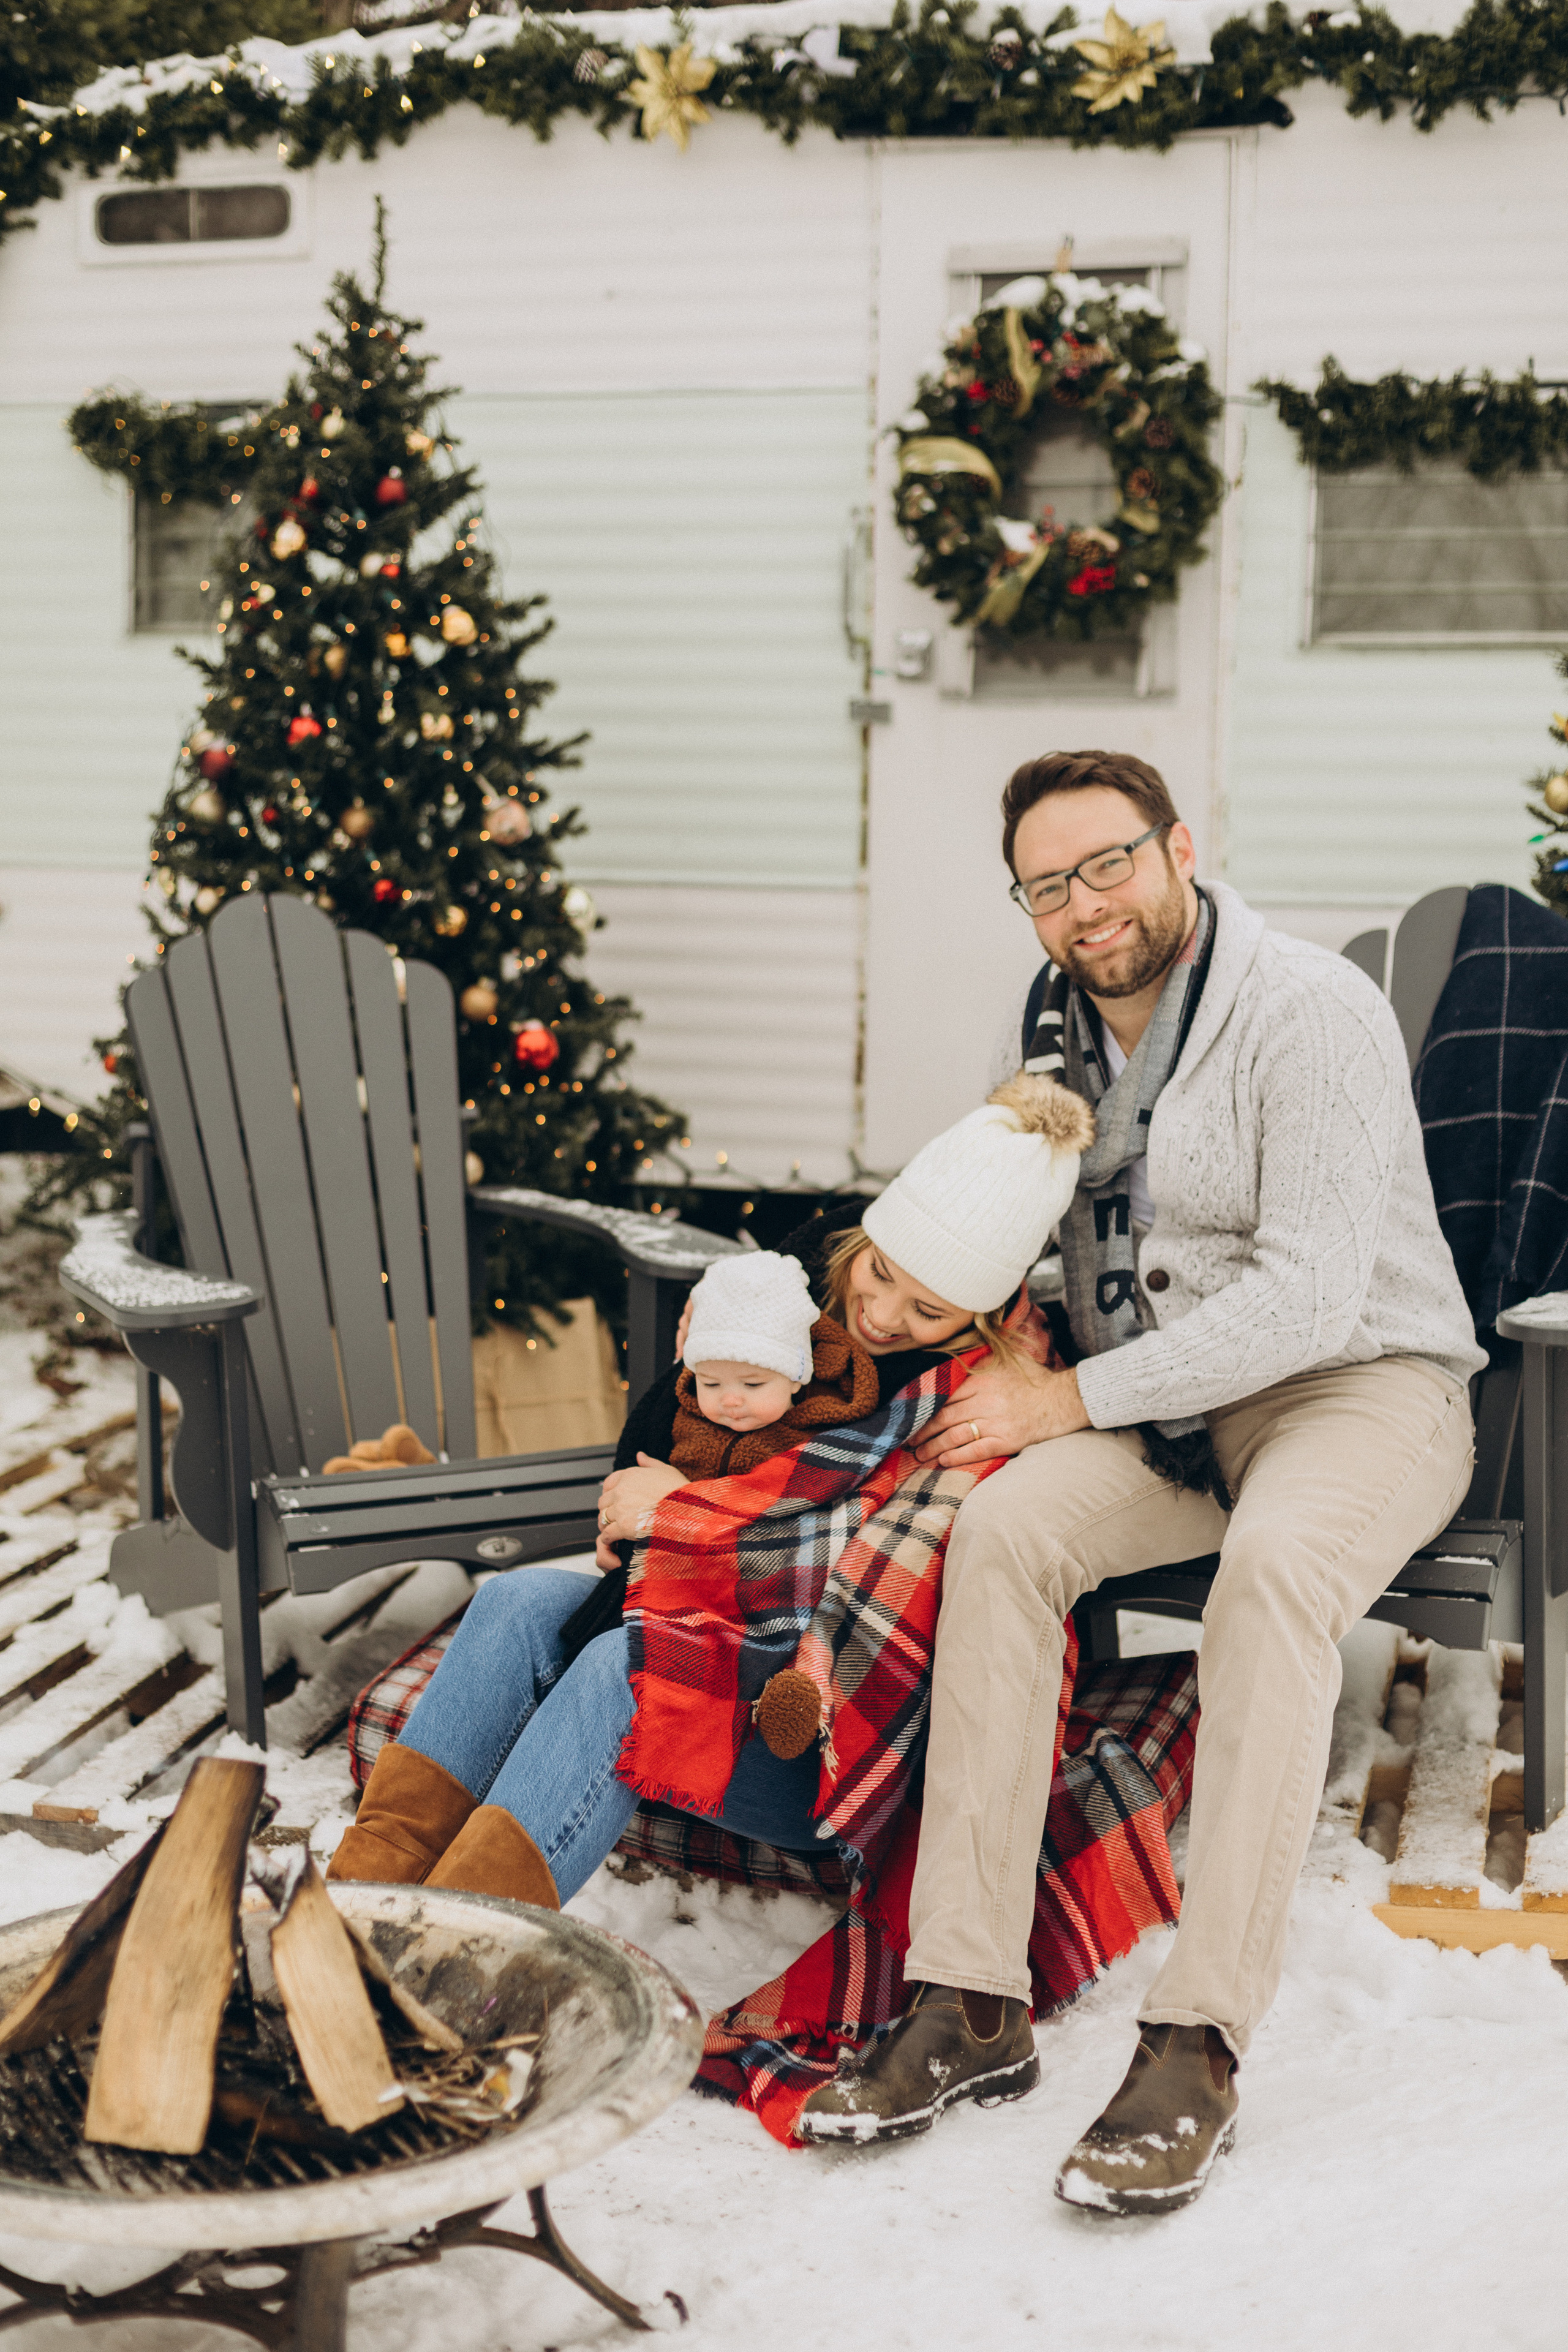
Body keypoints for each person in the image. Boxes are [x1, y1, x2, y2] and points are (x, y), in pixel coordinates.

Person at [797, 749, 1484, 2216]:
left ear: (1178, 850)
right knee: (999, 1530)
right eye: (1046, 885)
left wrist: (1063, 1397)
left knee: (1277, 1573)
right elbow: (1011, 1225)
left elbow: (1305, 1299)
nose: (1082, 905)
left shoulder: (1307, 1012)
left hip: (1354, 1387)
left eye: (1106, 864)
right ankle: (966, 2001)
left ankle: (1196, 2038)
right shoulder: (1044, 1040)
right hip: (1168, 1411)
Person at [326, 1073, 1093, 1912]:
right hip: (714, 1617)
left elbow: (861, 1572)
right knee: (513, 1604)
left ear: (979, 1316)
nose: (881, 1313)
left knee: (629, 1665)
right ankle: (358, 1903)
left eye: (929, 1309)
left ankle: (454, 1947)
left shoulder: (979, 1398)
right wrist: (706, 1358)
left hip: (816, 1729)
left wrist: (678, 1517)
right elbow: (654, 1452)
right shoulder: (793, 1301)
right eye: (880, 1273)